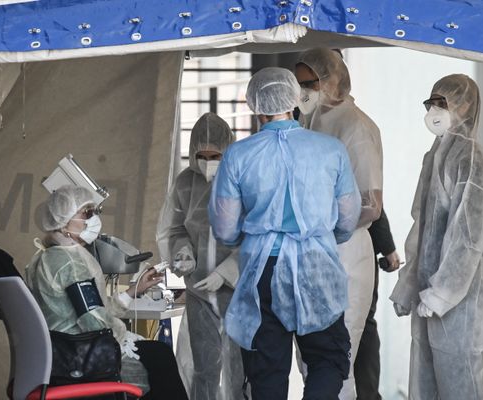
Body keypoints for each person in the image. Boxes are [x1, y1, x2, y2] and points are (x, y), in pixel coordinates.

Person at [209, 66, 362, 400]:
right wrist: (321, 238)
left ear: (255, 104)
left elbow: (224, 227)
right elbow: (349, 217)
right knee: (327, 358)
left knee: (267, 367)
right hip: (316, 263)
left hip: (263, 269)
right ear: (294, 99)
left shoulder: (238, 154)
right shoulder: (330, 149)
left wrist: (249, 238)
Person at [390, 74, 483, 400]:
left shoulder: (468, 157)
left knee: (460, 384)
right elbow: (423, 227)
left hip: (460, 296)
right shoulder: (436, 154)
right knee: (428, 382)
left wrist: (442, 293)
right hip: (431, 291)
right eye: (431, 103)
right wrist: (410, 284)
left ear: (465, 105)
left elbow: (468, 237)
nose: (434, 111)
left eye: (443, 103)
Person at [25, 185, 188, 400]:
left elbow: (91, 306)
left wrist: (134, 290)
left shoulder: (48, 256)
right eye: (87, 213)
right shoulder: (69, 261)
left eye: (95, 212)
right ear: (64, 221)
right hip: (79, 356)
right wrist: (123, 335)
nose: (93, 219)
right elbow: (94, 320)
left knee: (155, 354)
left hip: (61, 351)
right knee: (160, 356)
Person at [295, 47, 383, 399]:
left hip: (345, 254)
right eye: (298, 83)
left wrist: (326, 231)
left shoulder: (355, 126)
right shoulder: (311, 120)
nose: (303, 90)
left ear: (332, 81)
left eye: (309, 83)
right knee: (310, 363)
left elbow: (371, 205)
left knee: (336, 363)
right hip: (313, 256)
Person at [156, 112, 244, 400]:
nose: (208, 163)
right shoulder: (184, 183)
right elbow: (174, 228)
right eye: (202, 156)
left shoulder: (242, 180)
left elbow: (257, 237)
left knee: (240, 368)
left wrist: (228, 270)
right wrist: (182, 253)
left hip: (238, 290)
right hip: (199, 290)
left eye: (215, 155)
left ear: (228, 150)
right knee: (204, 368)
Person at [354, 209, 401, 399]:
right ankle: (367, 395)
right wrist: (388, 249)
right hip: (354, 252)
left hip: (312, 248)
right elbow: (371, 200)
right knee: (363, 326)